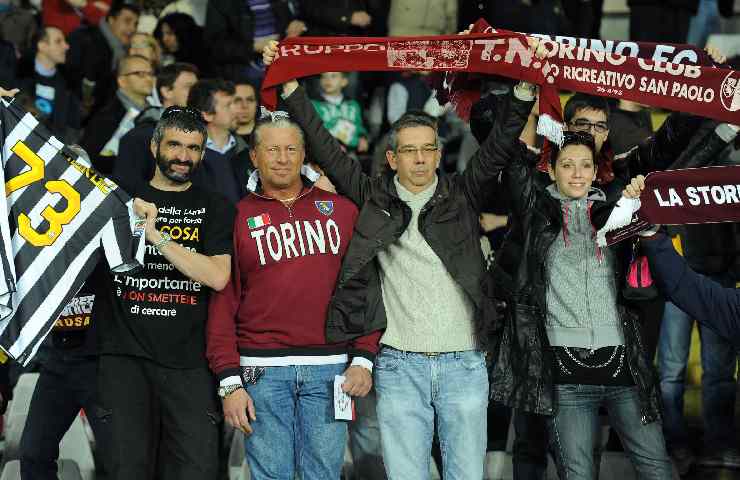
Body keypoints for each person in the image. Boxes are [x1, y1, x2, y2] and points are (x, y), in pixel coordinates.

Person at [263, 39, 537, 479]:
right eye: (409, 150)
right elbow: (324, 146)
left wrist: (524, 92)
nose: (421, 158)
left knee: (466, 475)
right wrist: (292, 85)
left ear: (439, 153)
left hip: (464, 361)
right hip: (398, 363)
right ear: (391, 158)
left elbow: (501, 144)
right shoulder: (372, 196)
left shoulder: (462, 194)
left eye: (429, 148)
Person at [206, 111, 381, 480]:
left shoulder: (342, 211)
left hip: (332, 368)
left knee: (324, 474)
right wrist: (229, 381)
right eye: (272, 149)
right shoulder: (235, 217)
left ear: (304, 156)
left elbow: (365, 286)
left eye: (290, 149)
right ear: (254, 156)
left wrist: (364, 358)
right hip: (261, 372)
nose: (282, 158)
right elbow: (223, 302)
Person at [490, 130, 673, 479]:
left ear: (594, 171)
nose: (577, 173)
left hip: (622, 365)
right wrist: (527, 97)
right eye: (568, 165)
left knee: (657, 467)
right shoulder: (535, 213)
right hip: (565, 371)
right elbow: (499, 143)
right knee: (578, 472)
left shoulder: (613, 212)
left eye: (585, 165)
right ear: (552, 169)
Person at [93, 105, 236, 480]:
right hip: (123, 360)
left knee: (197, 471)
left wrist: (156, 236)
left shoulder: (215, 207)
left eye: (193, 148)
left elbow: (218, 276)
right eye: (174, 145)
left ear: (203, 153)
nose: (183, 157)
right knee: (126, 470)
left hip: (189, 364)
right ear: (155, 145)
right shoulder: (118, 202)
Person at [114, 62, 199, 194]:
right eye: (189, 87)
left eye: (197, 88)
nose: (196, 93)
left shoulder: (202, 131)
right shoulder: (141, 135)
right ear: (166, 91)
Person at [79, 54, 154, 175]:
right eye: (140, 74)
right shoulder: (107, 117)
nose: (149, 79)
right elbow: (89, 159)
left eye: (150, 73)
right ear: (122, 81)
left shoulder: (156, 114)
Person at [66, 2, 140, 118]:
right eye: (127, 21)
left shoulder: (122, 52)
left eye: (135, 24)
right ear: (111, 19)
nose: (132, 28)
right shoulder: (86, 38)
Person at [204, 0, 306, 83]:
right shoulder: (220, 3)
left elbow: (300, 19)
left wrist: (297, 25)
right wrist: (253, 47)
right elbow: (215, 46)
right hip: (244, 67)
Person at [186, 79, 253, 203]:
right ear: (207, 114)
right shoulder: (186, 158)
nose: (237, 110)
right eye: (228, 105)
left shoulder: (248, 153)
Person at [15, 26, 81, 144]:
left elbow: (72, 128)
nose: (66, 46)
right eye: (58, 41)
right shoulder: (16, 75)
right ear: (42, 46)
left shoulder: (69, 85)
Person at [311, 72, 369, 154]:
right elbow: (314, 131)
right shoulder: (314, 104)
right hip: (325, 151)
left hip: (350, 151)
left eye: (333, 76)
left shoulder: (353, 105)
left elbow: (359, 126)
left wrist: (362, 137)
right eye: (323, 77)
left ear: (344, 82)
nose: (327, 80)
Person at [232, 80, 258, 147]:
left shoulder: (271, 135)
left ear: (257, 104)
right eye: (237, 100)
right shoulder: (219, 138)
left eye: (250, 100)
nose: (244, 105)